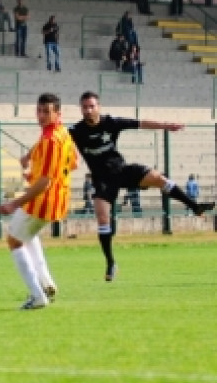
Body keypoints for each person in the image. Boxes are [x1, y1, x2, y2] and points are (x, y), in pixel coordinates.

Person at [68, 91, 214, 281]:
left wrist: (165, 126)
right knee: (103, 218)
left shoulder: (111, 123)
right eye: (85, 107)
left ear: (98, 107)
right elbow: (56, 141)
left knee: (159, 179)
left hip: (122, 171)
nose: (88, 110)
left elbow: (140, 123)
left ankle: (194, 206)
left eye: (91, 106)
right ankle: (111, 263)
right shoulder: (75, 130)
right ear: (81, 109)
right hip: (102, 180)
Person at [0, 93, 77, 309]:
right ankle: (46, 283)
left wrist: (15, 203)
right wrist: (30, 157)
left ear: (58, 113)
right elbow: (70, 164)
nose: (41, 116)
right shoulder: (62, 133)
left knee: (14, 240)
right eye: (39, 111)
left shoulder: (51, 140)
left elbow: (45, 182)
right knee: (27, 235)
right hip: (58, 199)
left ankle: (37, 295)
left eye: (46, 112)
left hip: (43, 200)